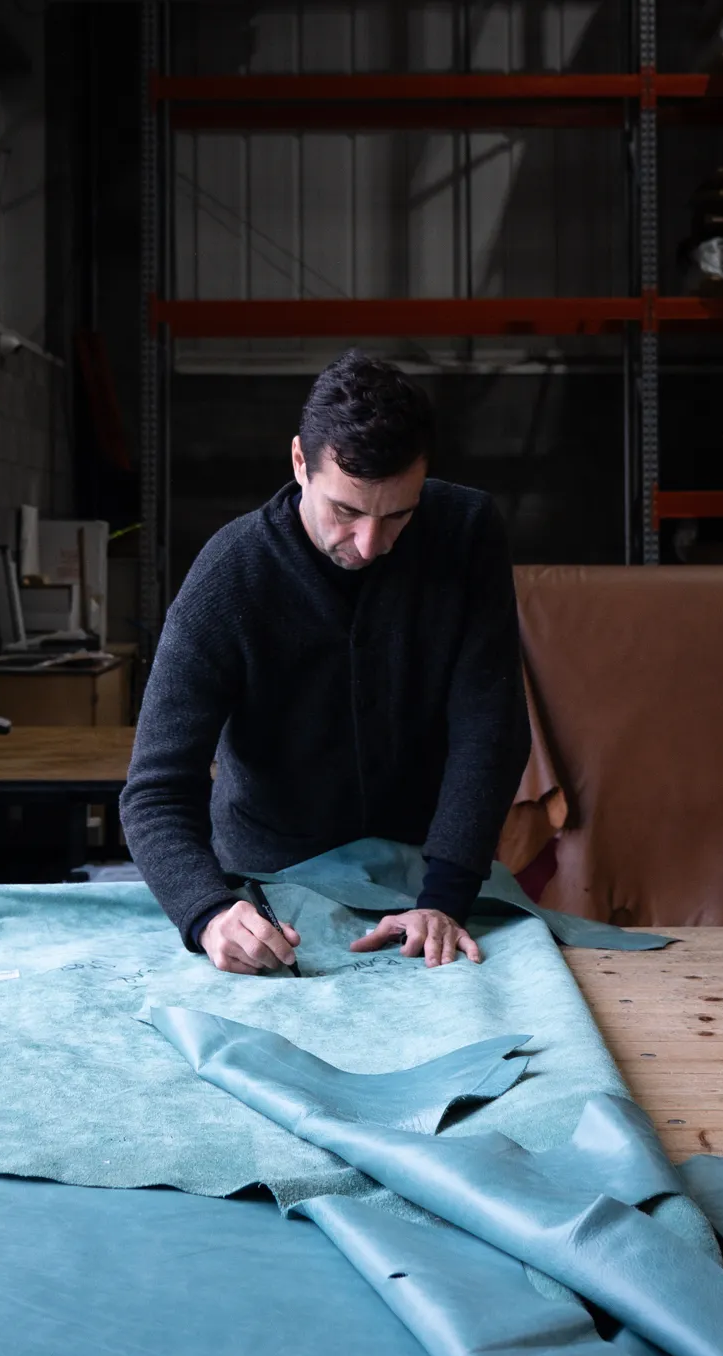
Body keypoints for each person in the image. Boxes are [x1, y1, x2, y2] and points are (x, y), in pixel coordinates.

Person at [120, 350, 531, 974]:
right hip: (271, 886)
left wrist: (443, 898)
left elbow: (490, 731)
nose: (371, 544)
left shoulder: (466, 532)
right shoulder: (230, 576)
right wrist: (206, 911)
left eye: (398, 515)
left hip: (426, 876)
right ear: (298, 463)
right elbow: (155, 788)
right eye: (346, 511)